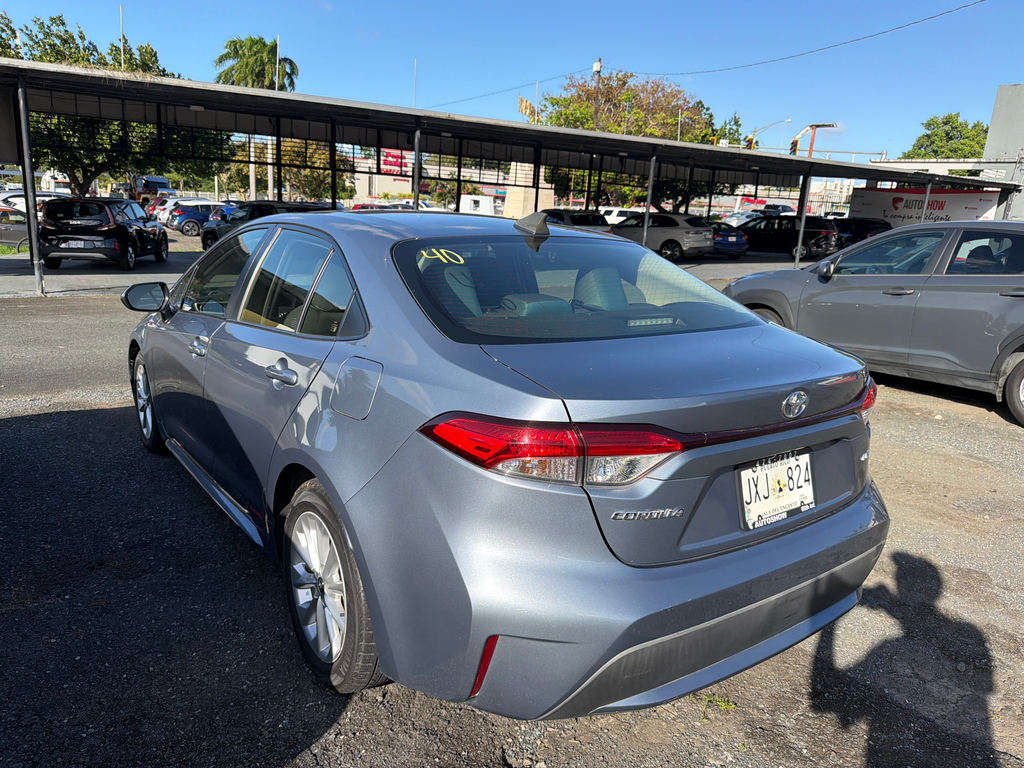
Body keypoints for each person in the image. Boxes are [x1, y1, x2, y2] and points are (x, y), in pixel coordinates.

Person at [811, 552, 996, 766]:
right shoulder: (971, 633)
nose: (898, 583)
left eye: (900, 578)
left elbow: (823, 703)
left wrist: (830, 622)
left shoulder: (889, 649)